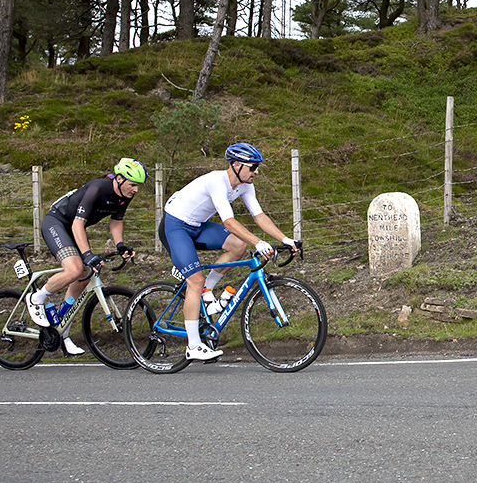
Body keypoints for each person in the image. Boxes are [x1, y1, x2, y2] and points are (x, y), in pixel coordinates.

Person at [158, 143, 298, 362]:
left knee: (238, 246)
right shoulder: (217, 181)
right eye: (253, 167)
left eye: (257, 167)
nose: (256, 171)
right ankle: (193, 346)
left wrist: (285, 239)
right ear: (236, 165)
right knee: (194, 281)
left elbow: (259, 216)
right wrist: (258, 242)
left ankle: (208, 288)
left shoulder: (244, 184)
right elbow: (229, 222)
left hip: (197, 225)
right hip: (175, 226)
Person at [25, 158, 147, 355]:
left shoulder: (125, 195)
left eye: (138, 186)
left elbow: (116, 221)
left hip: (72, 228)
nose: (136, 190)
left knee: (84, 276)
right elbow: (77, 224)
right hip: (57, 223)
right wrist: (87, 254)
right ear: (118, 179)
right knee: (74, 270)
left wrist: (120, 244)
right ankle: (36, 298)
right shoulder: (97, 188)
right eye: (132, 184)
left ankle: (62, 332)